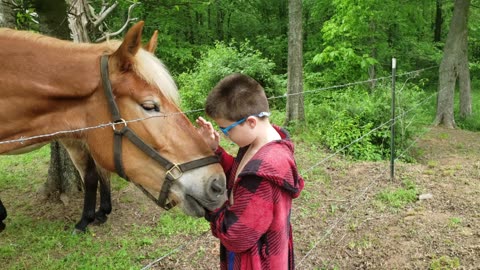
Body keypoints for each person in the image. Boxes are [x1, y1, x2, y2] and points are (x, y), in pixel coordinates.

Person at [196, 73, 305, 270]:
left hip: (256, 263)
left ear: (251, 122)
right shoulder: (257, 144)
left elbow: (236, 236)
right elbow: (238, 178)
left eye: (226, 129)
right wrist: (215, 150)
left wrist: (211, 204)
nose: (225, 135)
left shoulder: (262, 173)